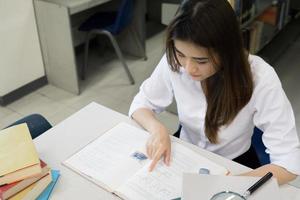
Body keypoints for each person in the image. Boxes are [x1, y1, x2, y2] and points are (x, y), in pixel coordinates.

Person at [128, 0, 300, 185]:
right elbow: (142, 104)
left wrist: (230, 184)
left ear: (227, 50)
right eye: (180, 54)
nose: (188, 68)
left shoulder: (260, 77)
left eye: (201, 61)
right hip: (183, 154)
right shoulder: (176, 59)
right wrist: (157, 129)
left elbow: (289, 163)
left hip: (234, 164)